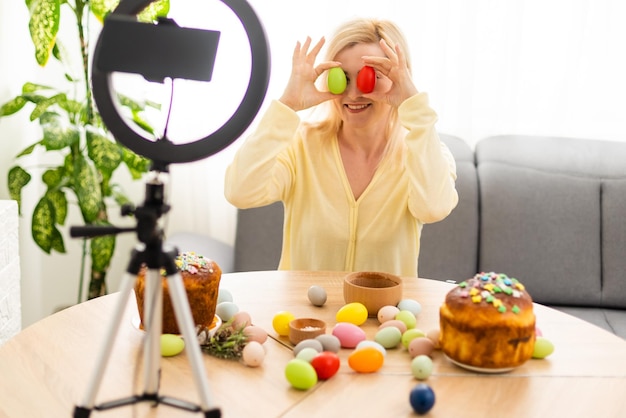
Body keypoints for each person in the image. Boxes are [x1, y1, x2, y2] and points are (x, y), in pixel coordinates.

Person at [224, 18, 458, 277]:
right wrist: (287, 105)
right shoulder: (300, 145)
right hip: (304, 316)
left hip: (383, 315)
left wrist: (413, 107)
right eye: (342, 78)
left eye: (370, 76)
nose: (353, 93)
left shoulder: (423, 151)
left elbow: (434, 208)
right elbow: (240, 191)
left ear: (399, 78)